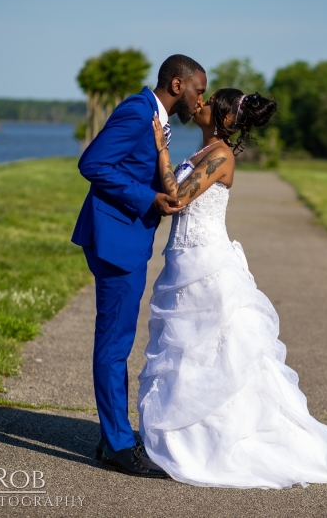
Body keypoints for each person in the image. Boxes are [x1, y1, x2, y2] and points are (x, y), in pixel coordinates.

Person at [138, 88, 327, 488]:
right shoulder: (201, 152)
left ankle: (223, 443)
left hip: (209, 267)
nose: (201, 103)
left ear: (226, 119)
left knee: (216, 353)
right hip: (183, 264)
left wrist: (161, 149)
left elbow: (176, 199)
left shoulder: (221, 156)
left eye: (210, 102)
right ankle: (184, 440)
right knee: (185, 354)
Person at [71, 54, 207, 478]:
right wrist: (146, 198)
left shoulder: (154, 116)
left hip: (125, 241)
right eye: (198, 90)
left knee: (118, 341)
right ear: (178, 84)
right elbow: (91, 164)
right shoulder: (137, 111)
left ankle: (113, 435)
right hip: (115, 242)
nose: (200, 100)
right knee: (114, 344)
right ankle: (116, 444)